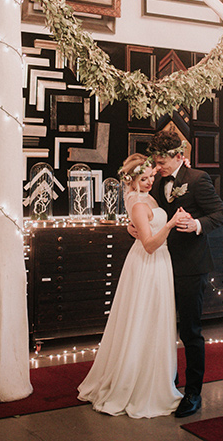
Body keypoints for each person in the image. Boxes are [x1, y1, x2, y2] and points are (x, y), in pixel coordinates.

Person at [77, 153, 185, 418]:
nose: (150, 182)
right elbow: (148, 245)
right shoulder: (137, 203)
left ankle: (154, 371)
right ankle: (136, 380)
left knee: (152, 319)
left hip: (159, 262)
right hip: (149, 263)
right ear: (133, 179)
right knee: (143, 319)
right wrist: (170, 224)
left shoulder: (145, 197)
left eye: (151, 176)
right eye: (144, 178)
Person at [137, 130, 223, 418]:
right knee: (162, 327)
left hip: (191, 267)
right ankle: (167, 383)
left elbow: (220, 214)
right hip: (161, 264)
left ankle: (193, 392)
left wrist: (198, 225)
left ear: (178, 156)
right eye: (156, 160)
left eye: (162, 160)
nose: (158, 166)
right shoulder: (159, 182)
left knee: (190, 331)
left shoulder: (198, 179)